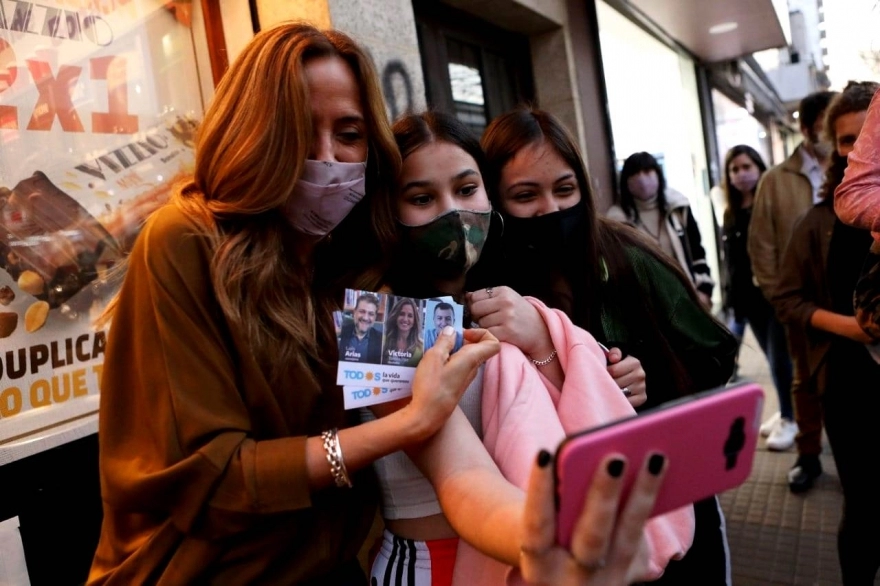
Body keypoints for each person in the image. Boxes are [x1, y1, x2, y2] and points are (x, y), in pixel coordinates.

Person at [86, 22, 676, 586]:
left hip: (326, 568)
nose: (328, 157)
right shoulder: (188, 240)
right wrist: (414, 427)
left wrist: (565, 358)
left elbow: (465, 465)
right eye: (421, 197)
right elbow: (213, 476)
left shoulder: (355, 280)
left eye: (349, 134)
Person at [363, 111, 693, 585]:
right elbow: (458, 476)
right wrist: (552, 539)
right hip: (435, 564)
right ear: (386, 209)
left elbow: (563, 424)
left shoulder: (504, 302)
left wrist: (603, 376)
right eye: (421, 198)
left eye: (466, 188)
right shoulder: (379, 318)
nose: (451, 210)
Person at [481, 106, 737, 585]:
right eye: (525, 195)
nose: (550, 210)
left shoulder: (627, 258)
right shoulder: (489, 287)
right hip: (563, 525)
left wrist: (651, 384)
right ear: (495, 201)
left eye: (564, 189)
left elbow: (715, 356)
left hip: (669, 504)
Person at [773, 80, 880, 585]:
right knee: (862, 506)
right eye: (846, 139)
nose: (859, 148)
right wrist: (853, 328)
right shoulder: (817, 222)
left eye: (869, 135)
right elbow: (787, 299)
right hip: (847, 382)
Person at [748, 90, 838, 494]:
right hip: (799, 303)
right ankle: (808, 454)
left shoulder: (856, 169)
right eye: (825, 125)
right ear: (805, 128)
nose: (832, 135)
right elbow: (761, 244)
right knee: (804, 380)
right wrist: (778, 297)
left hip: (851, 301)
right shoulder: (776, 180)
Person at [720, 145, 796, 451]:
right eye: (735, 169)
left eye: (747, 166)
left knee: (780, 360)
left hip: (773, 295)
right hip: (748, 301)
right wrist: (731, 300)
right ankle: (787, 411)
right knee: (772, 358)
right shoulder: (730, 211)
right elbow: (731, 262)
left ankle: (792, 419)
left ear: (760, 167)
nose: (741, 174)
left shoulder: (769, 204)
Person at [607, 152, 714, 309]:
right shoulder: (617, 222)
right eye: (635, 173)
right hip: (646, 306)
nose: (642, 178)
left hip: (687, 297)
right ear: (625, 181)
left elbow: (697, 252)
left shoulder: (678, 207)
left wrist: (704, 290)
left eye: (648, 171)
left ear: (658, 173)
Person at [338, 292, 383, 363]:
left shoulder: (382, 341)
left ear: (375, 317)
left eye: (371, 314)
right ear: (354, 312)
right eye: (362, 311)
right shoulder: (340, 332)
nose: (365, 318)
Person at [383, 295, 424, 366]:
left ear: (414, 321)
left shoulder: (421, 347)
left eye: (410, 316)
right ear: (395, 317)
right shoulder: (383, 341)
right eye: (402, 314)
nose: (405, 319)